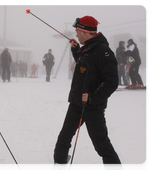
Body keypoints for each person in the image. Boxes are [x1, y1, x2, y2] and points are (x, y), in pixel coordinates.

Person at [52, 16, 123, 170]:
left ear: (85, 32)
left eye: (77, 31)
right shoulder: (86, 48)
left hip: (93, 107)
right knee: (64, 136)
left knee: (101, 145)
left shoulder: (104, 52)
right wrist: (75, 50)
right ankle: (59, 163)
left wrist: (92, 97)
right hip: (76, 104)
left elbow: (111, 82)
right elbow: (85, 65)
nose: (76, 34)